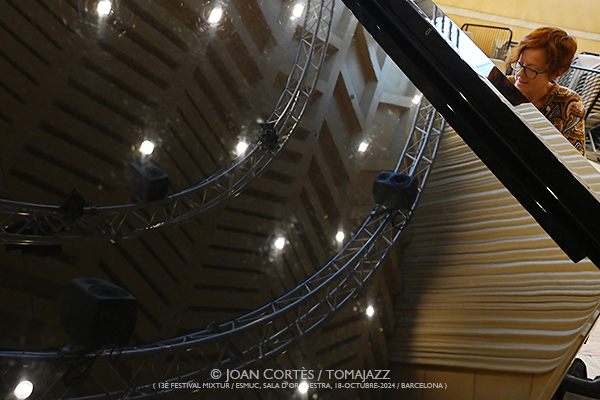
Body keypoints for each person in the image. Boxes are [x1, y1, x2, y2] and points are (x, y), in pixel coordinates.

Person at [505, 27, 586, 155]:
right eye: (520, 63)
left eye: (531, 69)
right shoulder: (502, 86)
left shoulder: (569, 103)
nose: (519, 74)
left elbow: (575, 158)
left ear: (556, 73)